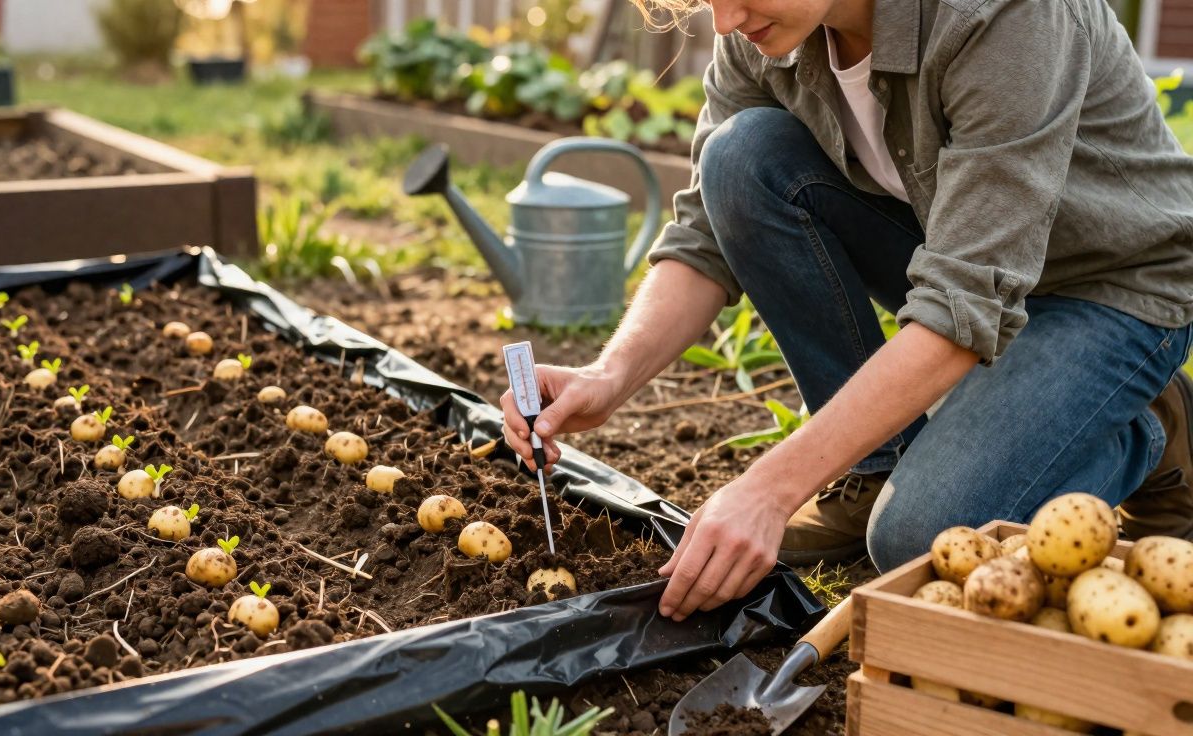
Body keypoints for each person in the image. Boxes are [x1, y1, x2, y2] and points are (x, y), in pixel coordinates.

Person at [501, 0, 1193, 622]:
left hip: (1108, 288)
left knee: (921, 540)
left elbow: (960, 305)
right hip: (959, 258)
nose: (724, 21)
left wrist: (770, 489)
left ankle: (1147, 424)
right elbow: (705, 234)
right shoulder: (769, 26)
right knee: (739, 157)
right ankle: (874, 468)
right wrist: (610, 376)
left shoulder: (1005, 16)